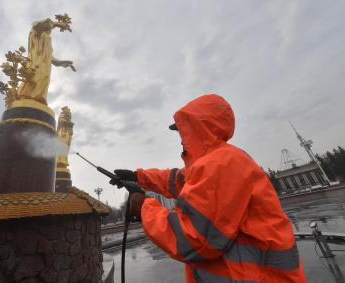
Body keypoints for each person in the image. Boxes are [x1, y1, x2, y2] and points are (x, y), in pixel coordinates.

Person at [113, 94, 306, 282]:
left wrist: (144, 207)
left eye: (183, 129)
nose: (180, 137)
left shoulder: (220, 164)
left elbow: (194, 240)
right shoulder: (213, 162)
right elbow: (177, 180)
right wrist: (138, 177)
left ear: (198, 128)